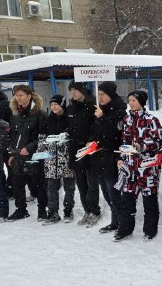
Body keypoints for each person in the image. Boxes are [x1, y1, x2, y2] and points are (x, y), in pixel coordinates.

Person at [114, 89, 162, 241]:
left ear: (141, 102)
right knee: (127, 200)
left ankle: (150, 230)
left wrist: (143, 146)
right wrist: (121, 158)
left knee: (149, 200)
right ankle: (125, 229)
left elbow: (160, 141)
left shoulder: (151, 120)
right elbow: (123, 142)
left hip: (147, 167)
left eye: (134, 100)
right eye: (129, 101)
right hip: (129, 167)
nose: (131, 103)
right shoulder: (126, 120)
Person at [90, 81, 127, 234]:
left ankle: (121, 223)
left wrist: (102, 118)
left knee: (114, 192)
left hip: (113, 156)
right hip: (100, 155)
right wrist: (91, 141)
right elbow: (97, 131)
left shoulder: (120, 111)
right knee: (106, 191)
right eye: (98, 94)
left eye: (103, 94)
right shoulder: (101, 110)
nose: (100, 97)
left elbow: (113, 132)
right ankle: (115, 220)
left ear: (110, 94)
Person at [7, 84, 48, 221]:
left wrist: (29, 148)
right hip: (18, 155)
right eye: (16, 95)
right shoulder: (15, 114)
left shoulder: (40, 114)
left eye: (21, 95)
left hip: (35, 155)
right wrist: (12, 153)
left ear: (29, 96)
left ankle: (42, 210)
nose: (18, 98)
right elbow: (13, 136)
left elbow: (43, 137)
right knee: (17, 184)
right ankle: (21, 210)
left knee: (39, 184)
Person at [67, 82, 101, 227]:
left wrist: (90, 141)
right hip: (75, 151)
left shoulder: (93, 105)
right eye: (71, 90)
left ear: (82, 90)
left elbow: (96, 127)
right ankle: (87, 210)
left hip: (90, 150)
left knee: (92, 183)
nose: (73, 93)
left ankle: (94, 211)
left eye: (76, 90)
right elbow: (69, 127)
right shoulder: (70, 107)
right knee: (81, 183)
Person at [39, 94, 76, 224]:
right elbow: (42, 138)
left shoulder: (69, 119)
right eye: (52, 105)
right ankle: (53, 212)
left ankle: (68, 210)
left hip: (66, 158)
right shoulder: (48, 119)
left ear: (62, 104)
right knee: (51, 187)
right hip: (50, 160)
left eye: (56, 104)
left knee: (69, 187)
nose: (54, 107)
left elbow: (73, 136)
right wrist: (42, 152)